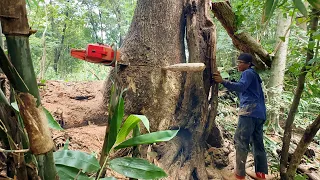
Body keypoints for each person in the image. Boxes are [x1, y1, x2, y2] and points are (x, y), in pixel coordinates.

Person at [213, 53, 269, 180]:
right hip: (260, 114)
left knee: (241, 141)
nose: (238, 64)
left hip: (249, 112)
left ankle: (239, 175)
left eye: (240, 62)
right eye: (238, 62)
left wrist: (223, 81)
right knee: (258, 142)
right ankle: (261, 174)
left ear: (248, 64)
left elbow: (241, 87)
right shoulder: (254, 75)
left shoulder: (248, 73)